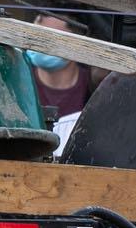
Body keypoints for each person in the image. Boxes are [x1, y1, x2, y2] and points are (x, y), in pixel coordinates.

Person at [27, 14, 94, 149]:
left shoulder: (94, 88)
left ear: (77, 44)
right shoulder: (20, 83)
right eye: (35, 37)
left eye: (49, 39)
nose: (40, 46)